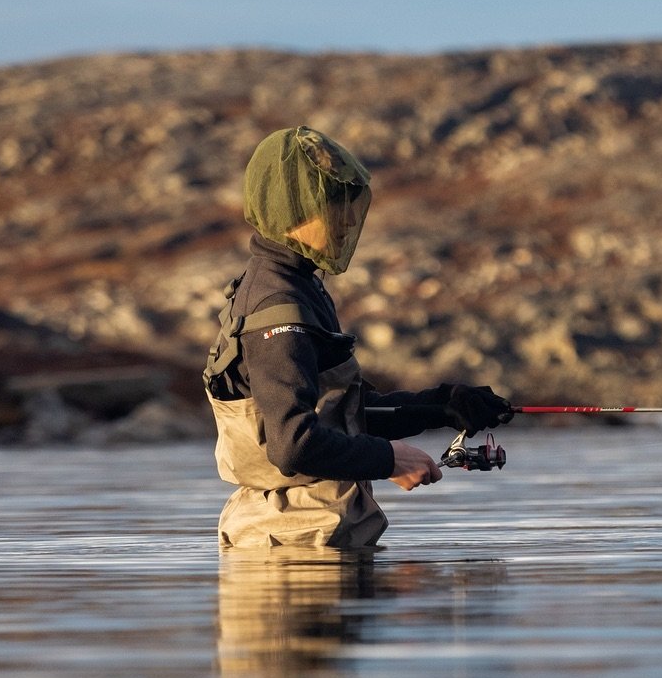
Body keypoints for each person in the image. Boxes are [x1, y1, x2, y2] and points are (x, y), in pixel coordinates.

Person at [204, 125, 512, 548]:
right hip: (294, 544)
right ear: (290, 210)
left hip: (316, 531)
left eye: (348, 204)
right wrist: (391, 460)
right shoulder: (276, 305)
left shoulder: (297, 284)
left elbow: (348, 413)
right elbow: (292, 443)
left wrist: (443, 405)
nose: (347, 219)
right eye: (332, 204)